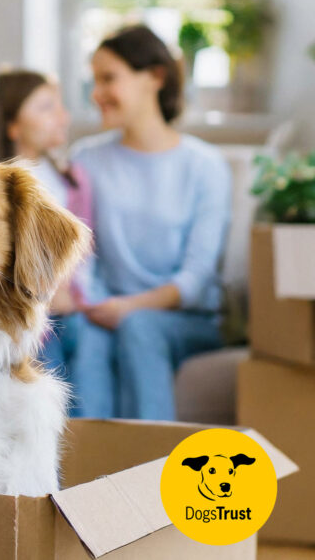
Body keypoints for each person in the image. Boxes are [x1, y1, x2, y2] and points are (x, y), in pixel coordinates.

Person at [70, 25, 231, 421]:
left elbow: (196, 279)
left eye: (109, 78)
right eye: (94, 80)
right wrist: (94, 302)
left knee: (139, 327)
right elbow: (81, 256)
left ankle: (152, 472)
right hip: (108, 309)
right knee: (87, 336)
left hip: (187, 320)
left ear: (155, 77)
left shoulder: (205, 166)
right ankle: (82, 478)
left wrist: (129, 307)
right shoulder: (86, 160)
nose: (97, 93)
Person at [0, 68, 93, 375]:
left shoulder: (73, 180)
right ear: (12, 126)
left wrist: (76, 297)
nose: (62, 117)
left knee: (91, 347)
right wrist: (44, 296)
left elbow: (85, 256)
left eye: (59, 106)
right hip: (24, 312)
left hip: (75, 311)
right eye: (47, 107)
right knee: (41, 347)